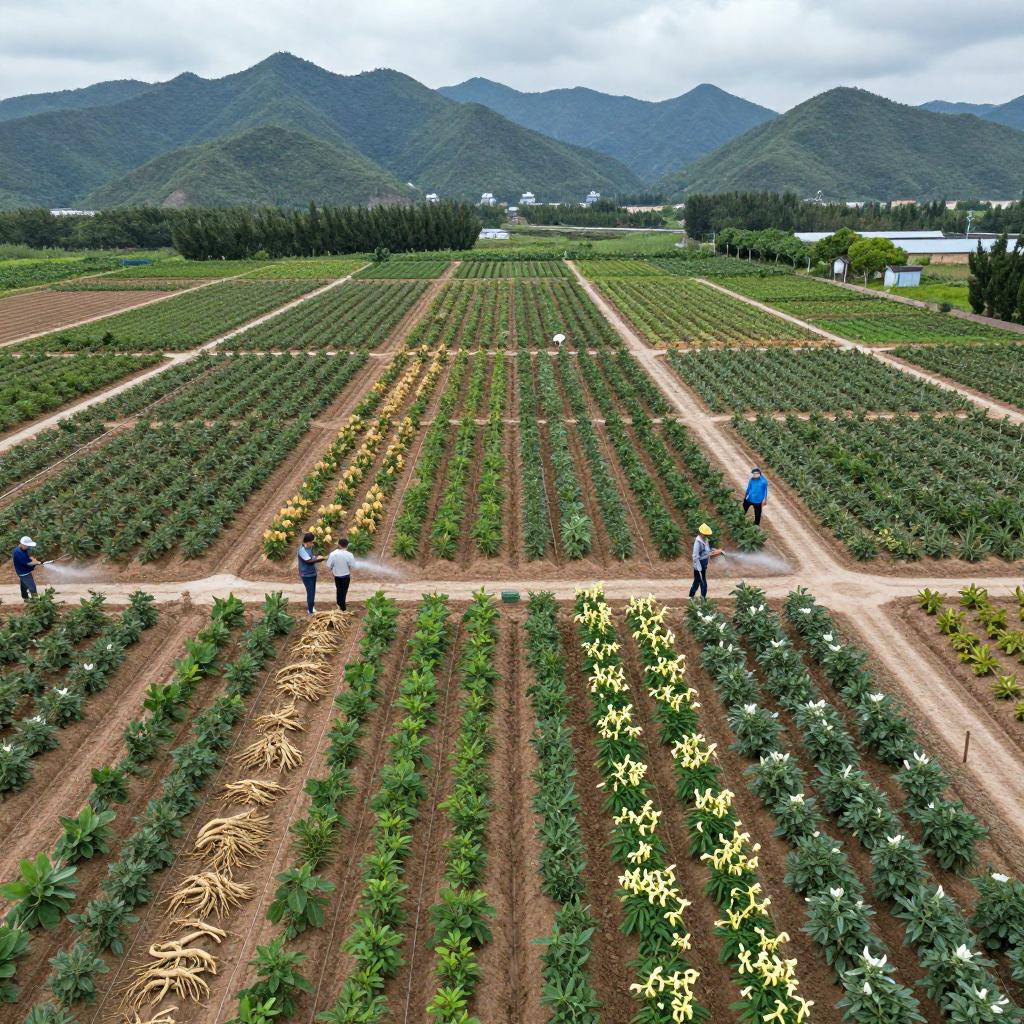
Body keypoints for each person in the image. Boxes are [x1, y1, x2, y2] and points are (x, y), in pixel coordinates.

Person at [688, 523, 723, 600]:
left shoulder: (705, 540)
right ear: (701, 533)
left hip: (704, 564)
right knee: (703, 583)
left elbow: (707, 551)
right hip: (699, 566)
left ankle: (691, 596)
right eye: (705, 534)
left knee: (697, 582)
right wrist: (699, 567)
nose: (707, 535)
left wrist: (716, 551)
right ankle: (703, 598)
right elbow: (695, 556)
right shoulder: (698, 542)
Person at [297, 533, 324, 615]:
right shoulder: (301, 550)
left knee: (312, 591)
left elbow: (311, 556)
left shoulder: (310, 548)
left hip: (313, 573)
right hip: (306, 574)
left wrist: (317, 556)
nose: (312, 544)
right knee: (310, 591)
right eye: (311, 542)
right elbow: (308, 561)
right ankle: (310, 610)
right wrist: (318, 560)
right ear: (307, 542)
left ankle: (311, 607)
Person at [326, 537, 356, 611]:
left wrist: (332, 570)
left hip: (337, 576)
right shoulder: (349, 554)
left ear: (339, 545)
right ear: (347, 545)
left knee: (339, 590)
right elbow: (352, 565)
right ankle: (343, 608)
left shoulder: (333, 554)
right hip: (346, 576)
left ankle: (339, 604)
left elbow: (329, 565)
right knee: (344, 591)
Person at [11, 536, 42, 601]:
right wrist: (37, 562)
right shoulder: (18, 553)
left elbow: (26, 558)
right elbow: (28, 563)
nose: (29, 547)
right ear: (23, 544)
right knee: (32, 588)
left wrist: (31, 558)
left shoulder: (21, 549)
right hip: (24, 573)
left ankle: (25, 597)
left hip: (21, 570)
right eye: (28, 546)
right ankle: (36, 602)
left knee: (24, 584)